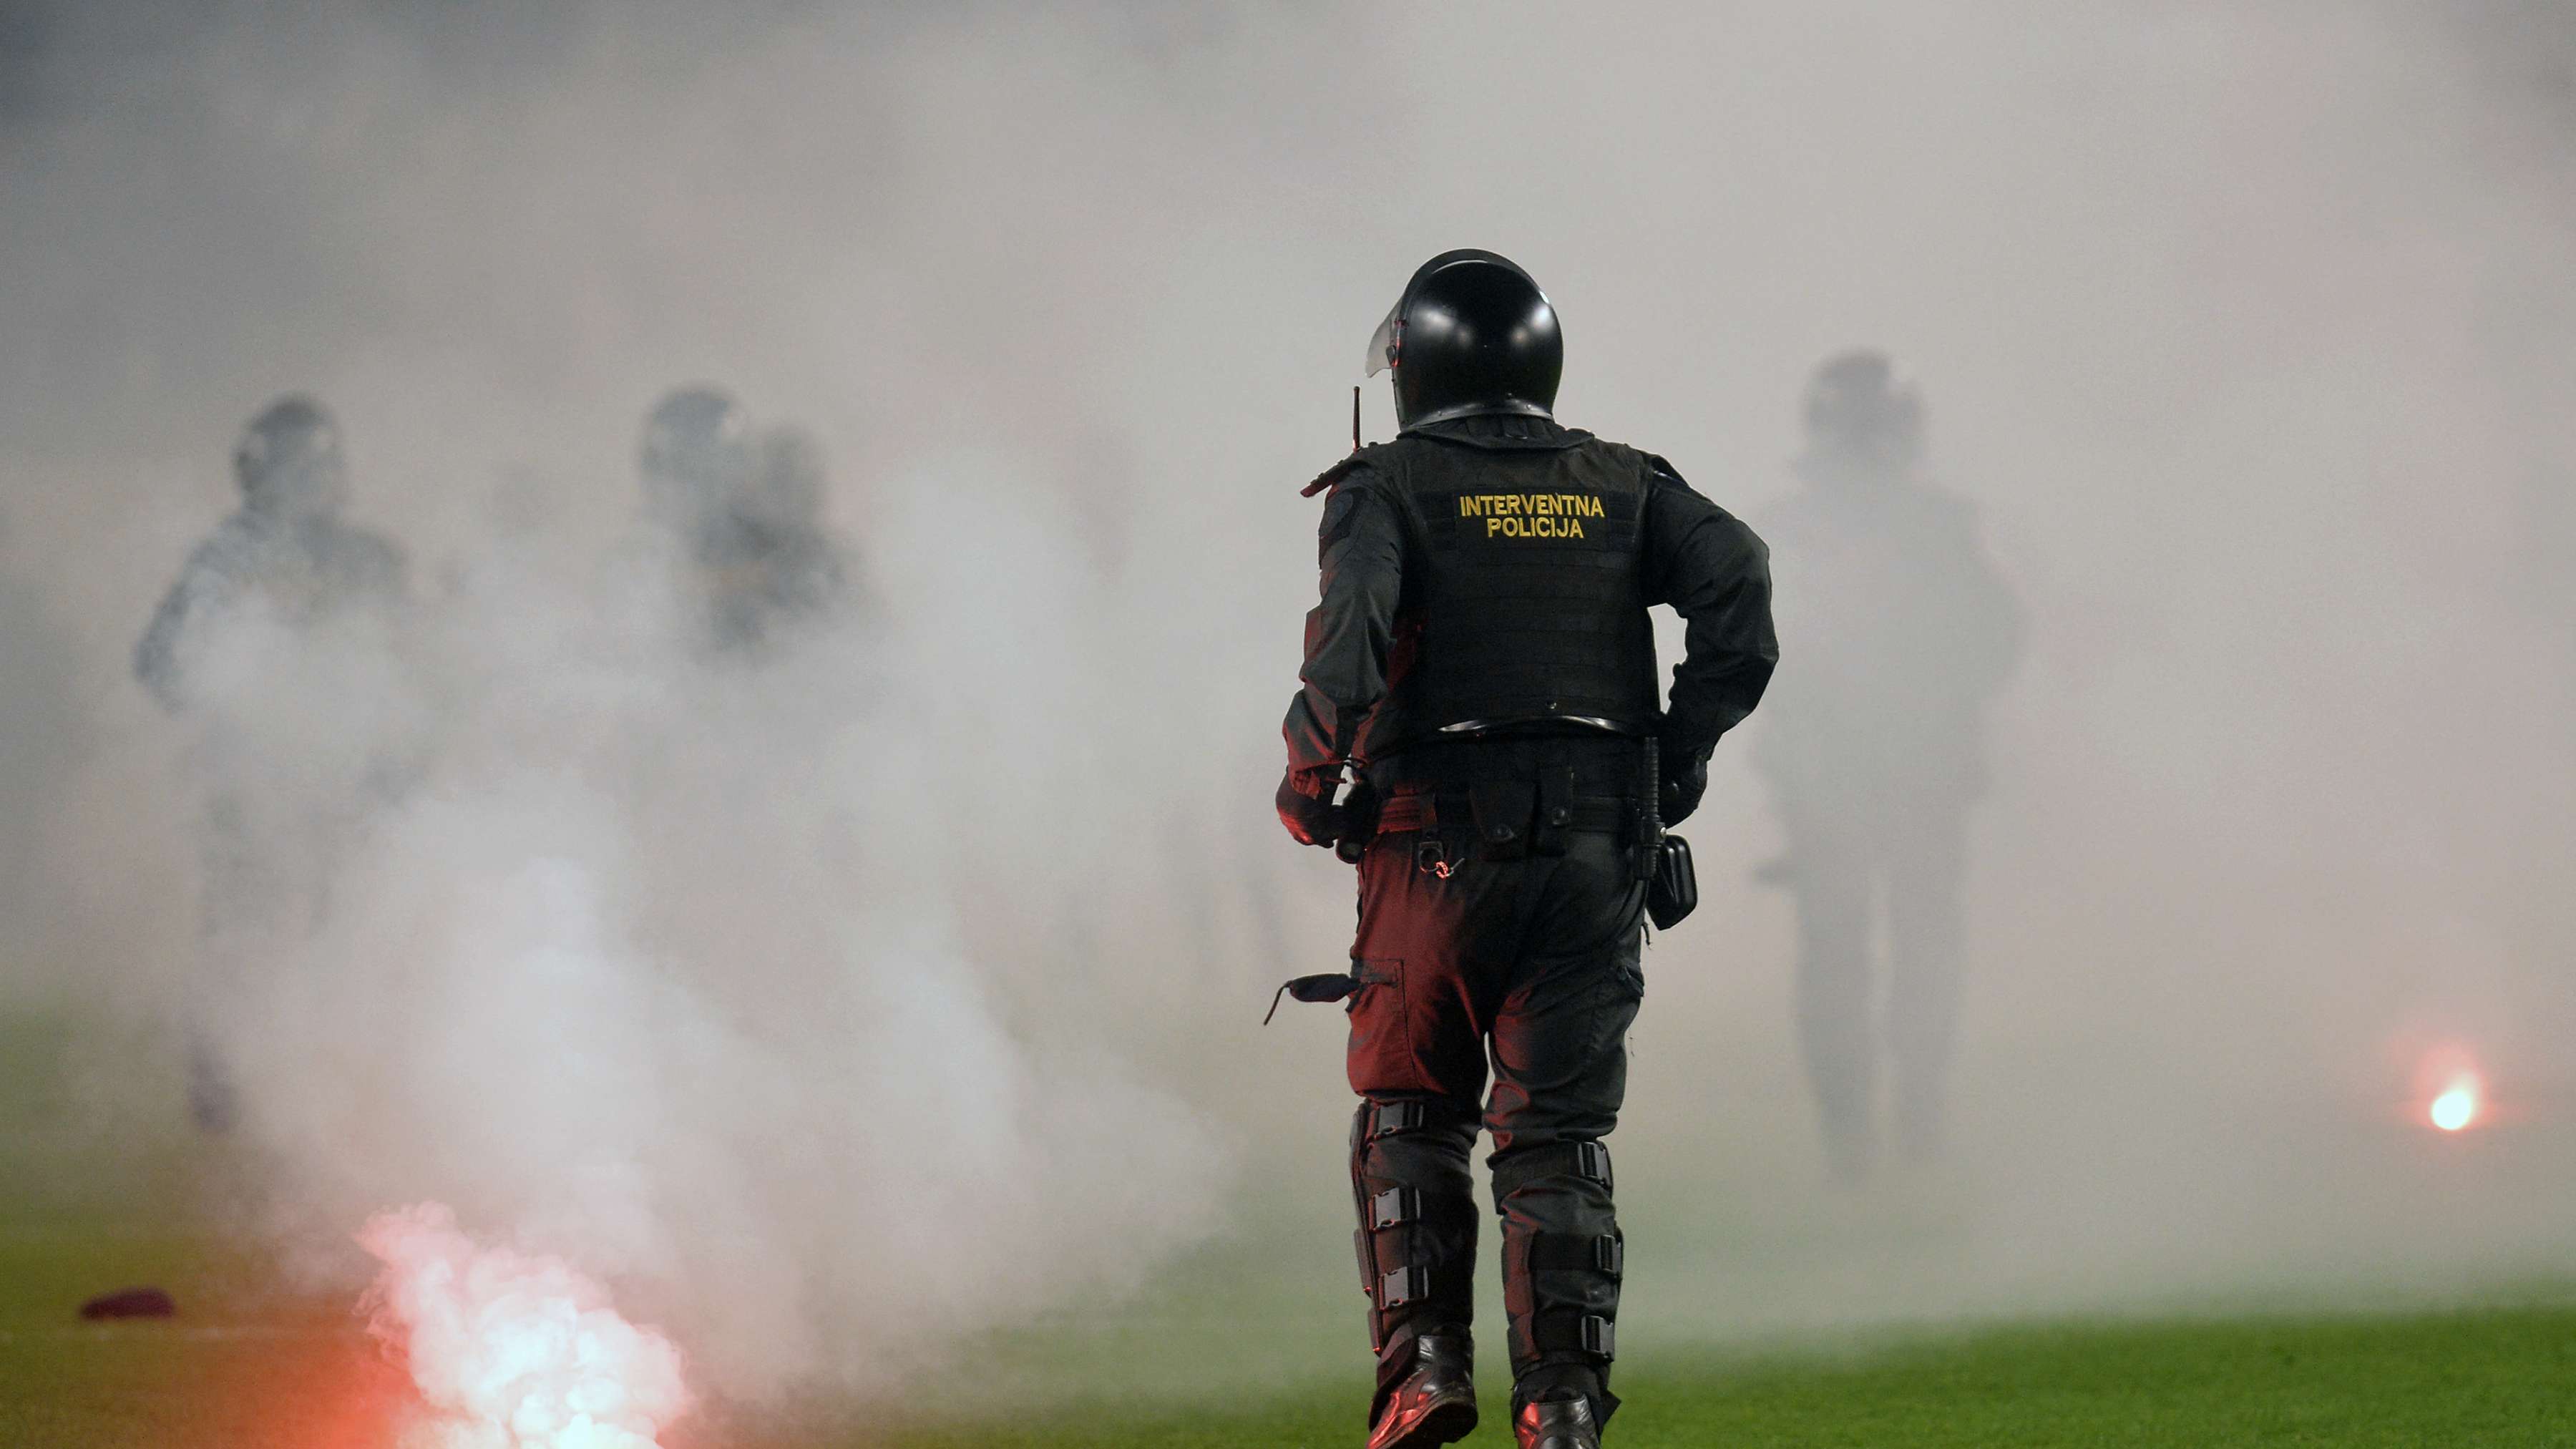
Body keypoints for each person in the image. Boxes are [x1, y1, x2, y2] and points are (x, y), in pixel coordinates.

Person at [1276, 250, 1775, 1449]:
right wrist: (1675, 754)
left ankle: (1424, 1373)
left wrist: (1308, 780)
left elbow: (1348, 657)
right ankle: (1559, 1404)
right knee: (1554, 1138)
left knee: (1410, 1112)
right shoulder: (1629, 483)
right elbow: (1742, 585)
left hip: (1431, 853)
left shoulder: (1383, 488)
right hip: (1600, 855)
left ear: (1412, 368)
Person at [1751, 351, 2021, 1183]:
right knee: (1913, 950)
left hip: (1848, 778)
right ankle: (1904, 1128)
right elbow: (1996, 638)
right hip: (1894, 775)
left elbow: (1753, 652)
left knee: (1849, 957)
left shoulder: (1792, 529)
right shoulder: (1935, 526)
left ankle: (1863, 1141)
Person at [134, 395, 409, 1129]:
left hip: (345, 782)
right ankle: (223, 1093)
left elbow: (415, 676)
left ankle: (341, 1084)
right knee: (240, 939)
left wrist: (394, 768)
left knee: (349, 937)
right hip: (254, 784)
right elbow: (160, 663)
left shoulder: (370, 561)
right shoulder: (227, 558)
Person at [635, 388, 853, 658]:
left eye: (698, 475)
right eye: (676, 474)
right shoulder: (642, 564)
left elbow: (860, 651)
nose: (683, 492)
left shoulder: (805, 560)